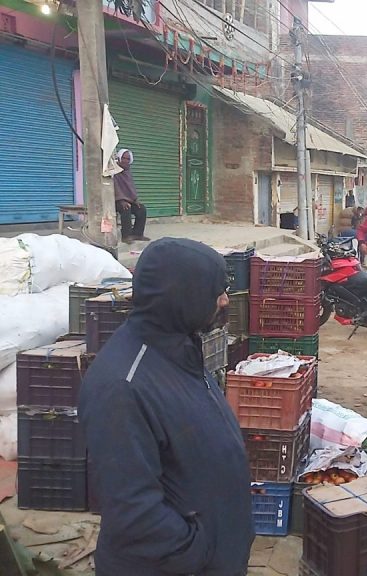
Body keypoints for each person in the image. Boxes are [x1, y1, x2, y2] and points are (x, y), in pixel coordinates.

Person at [80, 238, 253, 576]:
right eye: (216, 291)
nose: (224, 300)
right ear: (183, 295)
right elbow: (133, 512)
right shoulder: (123, 385)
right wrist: (201, 550)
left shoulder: (179, 350)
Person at [112, 149, 149, 242]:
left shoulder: (127, 172)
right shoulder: (114, 171)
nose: (125, 160)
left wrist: (135, 199)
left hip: (126, 200)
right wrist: (121, 200)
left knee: (141, 209)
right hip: (115, 201)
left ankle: (137, 234)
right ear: (119, 158)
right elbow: (114, 187)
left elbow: (130, 188)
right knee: (126, 208)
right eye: (123, 158)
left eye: (128, 159)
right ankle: (126, 235)